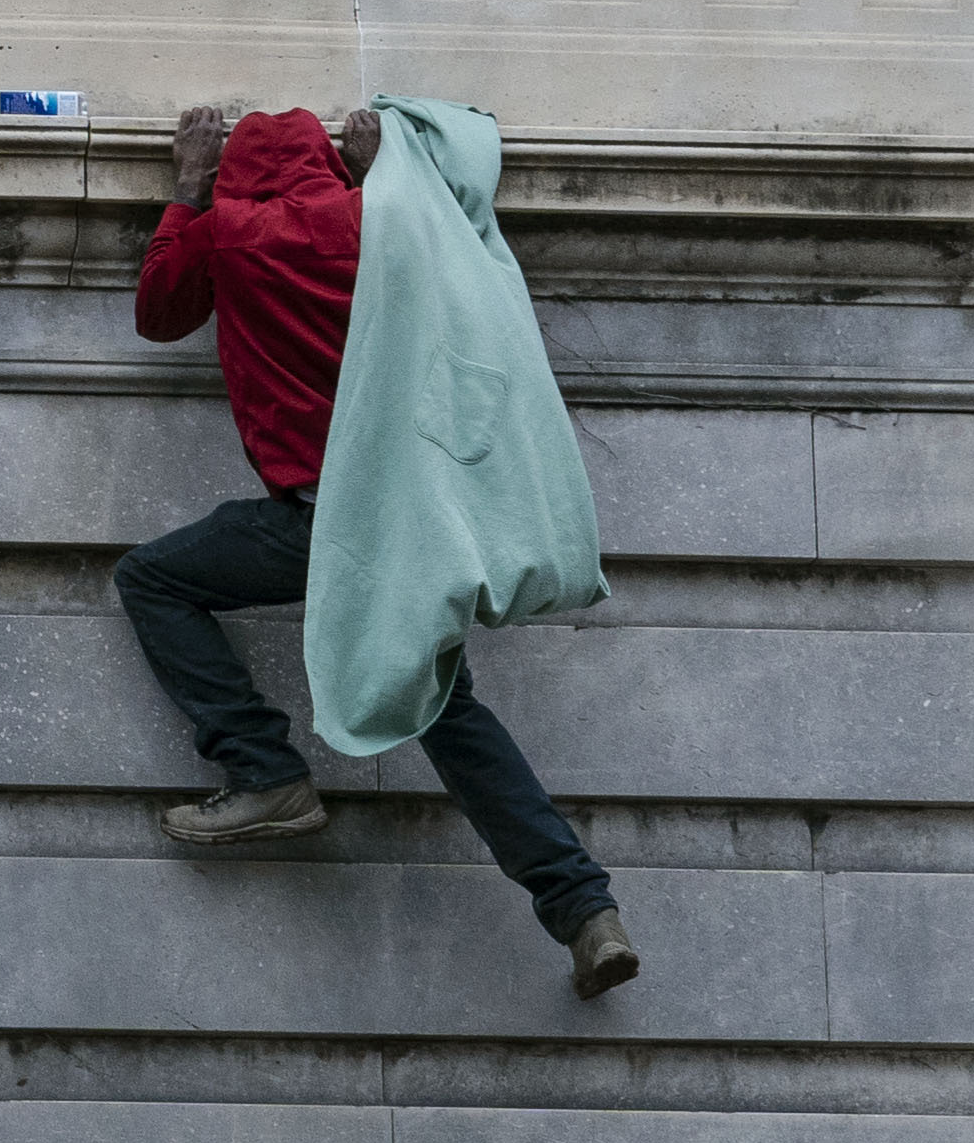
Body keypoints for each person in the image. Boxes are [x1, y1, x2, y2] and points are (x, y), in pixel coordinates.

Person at [117, 106, 642, 999]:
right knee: (449, 714)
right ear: (329, 167)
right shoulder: (382, 222)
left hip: (319, 526)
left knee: (153, 578)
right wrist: (376, 175)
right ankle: (586, 911)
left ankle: (266, 770)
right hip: (413, 522)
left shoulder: (229, 234)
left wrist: (187, 188)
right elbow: (458, 216)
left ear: (235, 174)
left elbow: (159, 311)